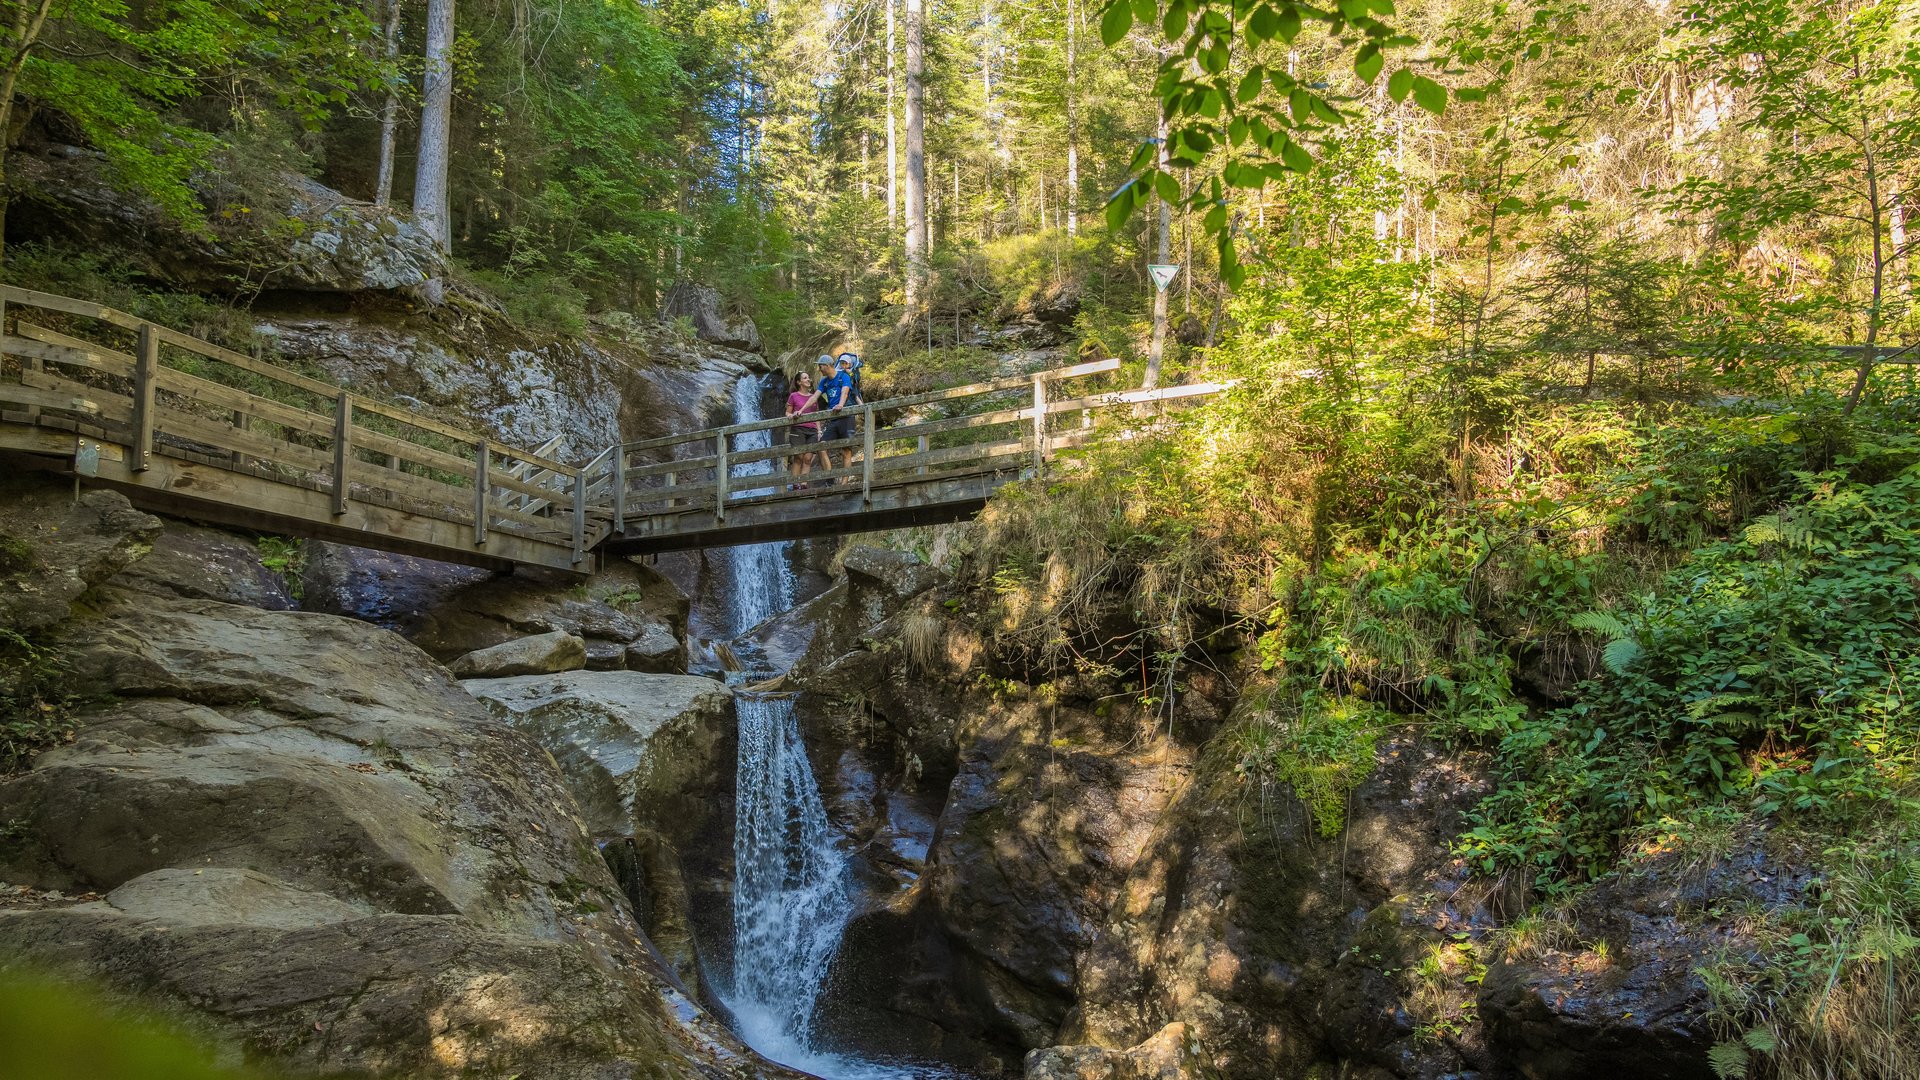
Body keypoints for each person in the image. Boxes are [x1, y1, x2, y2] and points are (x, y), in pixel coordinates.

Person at [810, 353, 856, 481]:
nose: (819, 369)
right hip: (833, 419)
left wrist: (840, 405)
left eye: (820, 366)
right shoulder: (824, 382)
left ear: (827, 365)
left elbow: (845, 391)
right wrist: (801, 410)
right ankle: (830, 479)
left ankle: (844, 483)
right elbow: (814, 397)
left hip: (846, 417)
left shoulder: (843, 376)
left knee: (846, 450)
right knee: (822, 446)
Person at [785, 369, 823, 489]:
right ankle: (795, 484)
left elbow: (816, 415)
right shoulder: (793, 396)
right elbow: (787, 412)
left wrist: (819, 430)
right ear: (799, 382)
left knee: (807, 458)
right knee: (798, 457)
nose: (808, 380)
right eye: (805, 378)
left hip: (812, 430)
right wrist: (790, 416)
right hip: (798, 429)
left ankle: (804, 484)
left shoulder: (813, 397)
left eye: (808, 378)